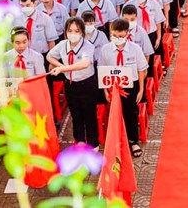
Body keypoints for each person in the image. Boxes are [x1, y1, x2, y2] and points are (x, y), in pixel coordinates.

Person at [99, 18, 148, 158]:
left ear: (127, 34)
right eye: (114, 36)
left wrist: (141, 89)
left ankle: (133, 141)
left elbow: (141, 70)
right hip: (113, 87)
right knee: (114, 114)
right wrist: (105, 91)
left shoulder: (135, 49)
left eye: (121, 36)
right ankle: (116, 140)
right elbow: (102, 70)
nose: (117, 39)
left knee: (131, 113)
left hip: (131, 86)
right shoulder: (105, 50)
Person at [47, 17, 99, 147]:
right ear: (65, 32)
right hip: (71, 85)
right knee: (76, 115)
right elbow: (49, 56)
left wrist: (63, 69)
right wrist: (61, 66)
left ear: (82, 32)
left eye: (77, 31)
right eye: (70, 31)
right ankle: (80, 141)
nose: (73, 34)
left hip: (87, 84)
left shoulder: (87, 46)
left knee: (89, 115)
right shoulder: (62, 45)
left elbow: (85, 63)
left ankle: (93, 144)